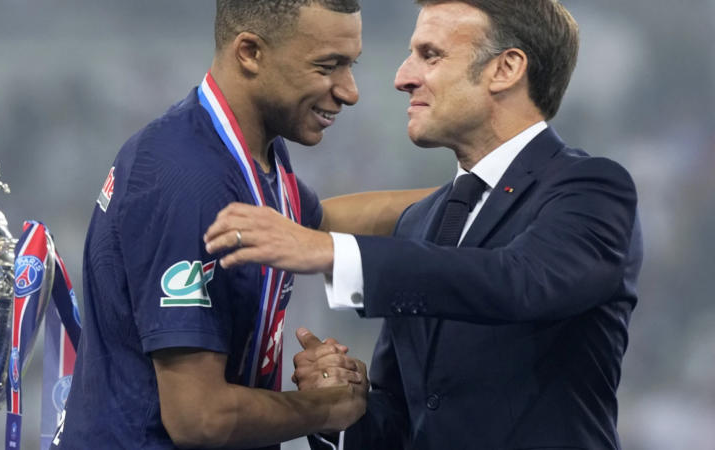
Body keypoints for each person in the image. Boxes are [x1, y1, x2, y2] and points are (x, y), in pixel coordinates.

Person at [204, 1, 644, 449]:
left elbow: (521, 282)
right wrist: (338, 410)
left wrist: (333, 250)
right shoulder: (420, 222)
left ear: (506, 68)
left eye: (430, 55)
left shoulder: (591, 189)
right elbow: (404, 419)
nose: (403, 77)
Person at [51, 1, 438, 448]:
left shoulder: (247, 152)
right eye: (328, 67)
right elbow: (199, 417)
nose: (349, 91)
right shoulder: (188, 182)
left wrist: (472, 196)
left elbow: (318, 226)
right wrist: (330, 406)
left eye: (350, 65)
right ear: (251, 52)